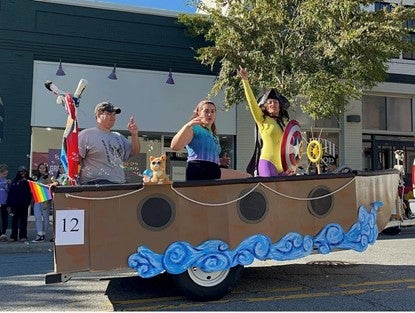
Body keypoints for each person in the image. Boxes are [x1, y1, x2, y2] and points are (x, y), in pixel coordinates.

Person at [171, 100, 249, 181]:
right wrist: (187, 126)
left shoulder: (213, 134)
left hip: (212, 169)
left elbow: (206, 155)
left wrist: (220, 161)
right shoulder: (194, 129)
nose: (209, 114)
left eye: (213, 111)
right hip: (199, 168)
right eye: (206, 111)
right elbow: (174, 146)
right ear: (198, 113)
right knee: (247, 178)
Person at [238, 67, 291, 177]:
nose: (273, 104)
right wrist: (245, 81)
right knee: (269, 192)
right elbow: (251, 102)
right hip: (267, 163)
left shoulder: (283, 125)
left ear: (280, 107)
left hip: (283, 167)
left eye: (276, 102)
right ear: (265, 106)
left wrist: (292, 165)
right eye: (270, 102)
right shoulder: (262, 119)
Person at [78, 102, 140, 185]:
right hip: (96, 183)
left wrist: (134, 134)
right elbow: (76, 160)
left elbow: (134, 152)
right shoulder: (86, 134)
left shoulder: (118, 136)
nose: (113, 117)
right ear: (99, 114)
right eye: (109, 114)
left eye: (114, 114)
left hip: (118, 183)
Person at [6, 165, 33, 242]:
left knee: (23, 220)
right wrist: (8, 205)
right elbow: (10, 194)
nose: (23, 173)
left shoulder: (29, 181)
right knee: (14, 221)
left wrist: (26, 181)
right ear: (18, 172)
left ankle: (23, 236)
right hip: (15, 205)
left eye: (24, 171)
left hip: (24, 204)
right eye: (21, 171)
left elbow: (33, 190)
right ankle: (13, 236)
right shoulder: (14, 181)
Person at [32, 163, 55, 242]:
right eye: (40, 168)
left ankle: (43, 234)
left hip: (45, 200)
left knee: (45, 218)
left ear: (46, 169)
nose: (42, 169)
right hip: (37, 199)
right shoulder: (36, 177)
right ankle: (39, 233)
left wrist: (47, 202)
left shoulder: (48, 177)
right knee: (37, 217)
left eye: (43, 168)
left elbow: (49, 189)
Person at [0, 164, 10, 241]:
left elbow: (9, 192)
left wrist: (9, 184)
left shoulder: (7, 181)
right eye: (4, 174)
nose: (5, 175)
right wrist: (3, 183)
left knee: (4, 218)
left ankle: (3, 233)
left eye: (6, 174)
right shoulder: (3, 182)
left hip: (4, 203)